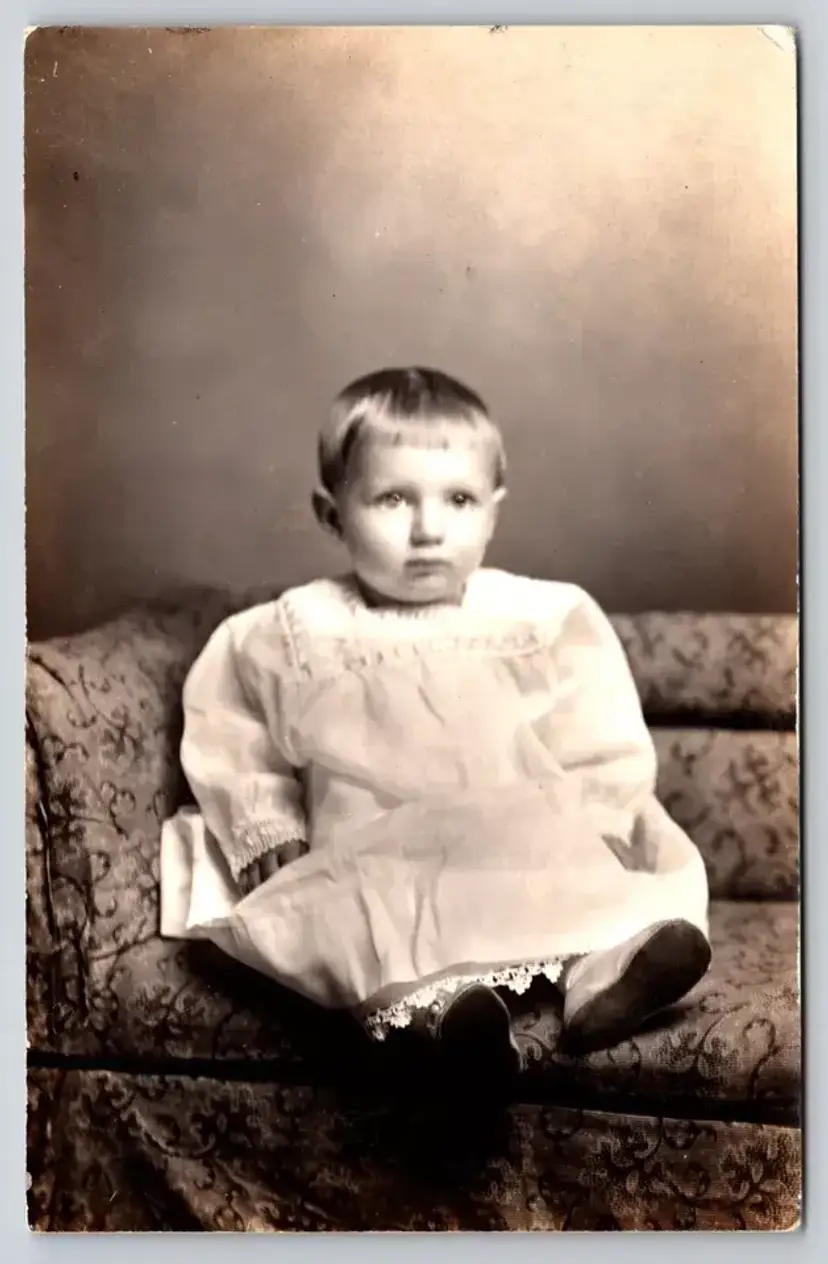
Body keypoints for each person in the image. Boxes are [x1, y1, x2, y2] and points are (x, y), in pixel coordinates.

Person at [160, 366, 711, 1080]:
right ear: (332, 514)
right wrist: (266, 821)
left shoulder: (542, 619)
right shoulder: (286, 631)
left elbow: (597, 732)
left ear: (492, 511)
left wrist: (596, 814)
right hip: (368, 839)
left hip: (510, 835)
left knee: (574, 873)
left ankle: (605, 981)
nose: (428, 529)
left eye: (458, 499)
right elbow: (233, 734)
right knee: (360, 917)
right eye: (392, 499)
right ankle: (438, 1018)